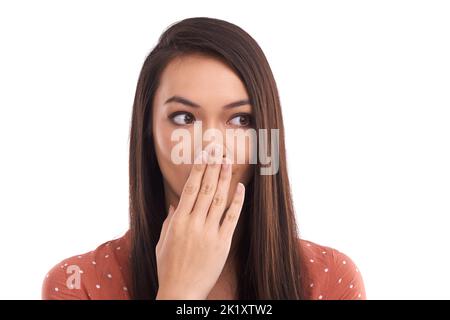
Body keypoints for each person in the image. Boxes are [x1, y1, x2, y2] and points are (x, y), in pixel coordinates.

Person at [42, 17, 366, 300]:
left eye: (240, 120)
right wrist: (178, 291)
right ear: (147, 129)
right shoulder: (78, 284)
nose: (211, 147)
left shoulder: (329, 279)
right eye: (184, 118)